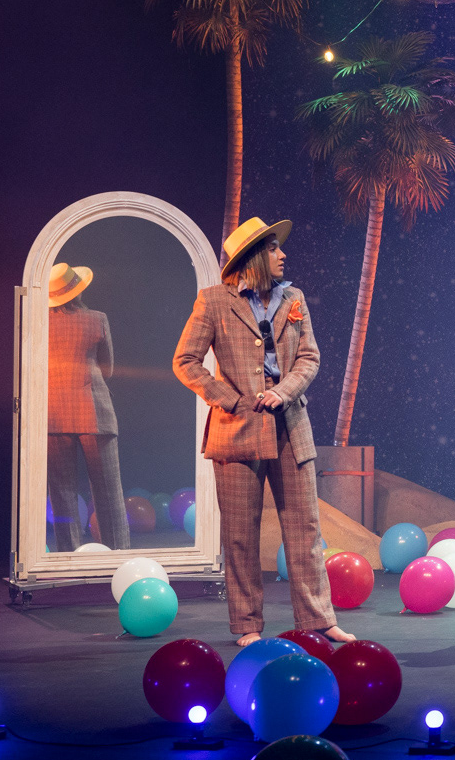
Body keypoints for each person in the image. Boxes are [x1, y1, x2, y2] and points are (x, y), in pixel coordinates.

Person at [172, 217, 355, 647]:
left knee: (305, 529)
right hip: (236, 428)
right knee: (240, 534)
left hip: (290, 424)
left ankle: (318, 619)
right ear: (253, 256)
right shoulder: (214, 301)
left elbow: (309, 357)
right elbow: (185, 361)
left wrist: (284, 391)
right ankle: (247, 624)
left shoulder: (294, 297)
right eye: (273, 248)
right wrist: (230, 398)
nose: (282, 254)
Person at [46, 263, 129, 551]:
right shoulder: (97, 319)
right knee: (108, 492)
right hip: (94, 413)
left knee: (62, 493)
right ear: (77, 290)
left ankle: (67, 555)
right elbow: (108, 369)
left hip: (53, 415)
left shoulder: (40, 324)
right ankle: (116, 554)